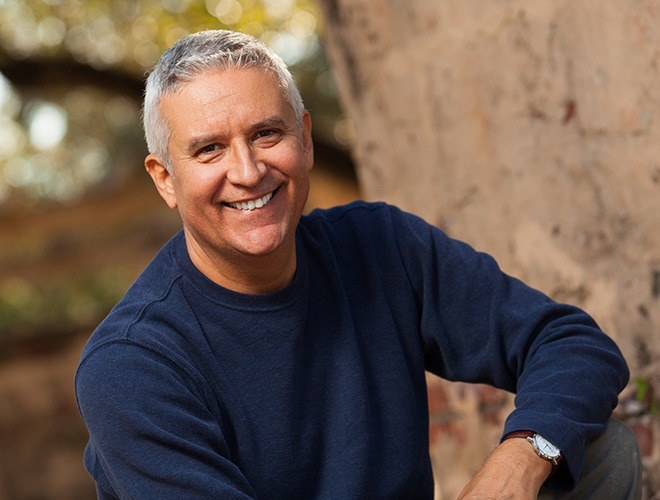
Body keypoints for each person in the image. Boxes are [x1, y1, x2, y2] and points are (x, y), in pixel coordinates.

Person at [75, 29, 641, 499]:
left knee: (596, 455)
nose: (247, 172)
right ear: (165, 179)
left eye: (267, 134)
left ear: (306, 139)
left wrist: (521, 458)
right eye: (209, 150)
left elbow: (574, 344)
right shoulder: (131, 366)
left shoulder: (379, 247)